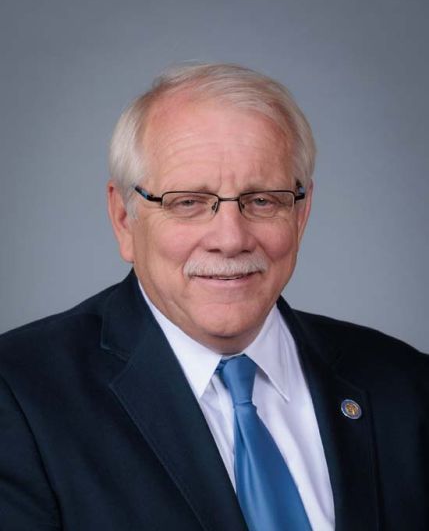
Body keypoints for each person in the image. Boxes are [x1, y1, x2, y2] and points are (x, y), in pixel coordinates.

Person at [0, 63, 427, 531]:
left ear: (300, 215)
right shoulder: (20, 397)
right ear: (124, 219)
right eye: (188, 202)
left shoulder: (406, 386)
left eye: (262, 200)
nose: (230, 239)